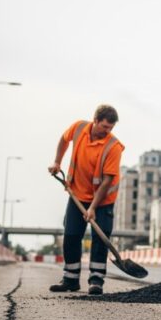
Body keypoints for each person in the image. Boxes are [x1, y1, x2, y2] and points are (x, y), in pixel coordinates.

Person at [47, 105, 124, 295]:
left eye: (111, 128)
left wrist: (93, 208)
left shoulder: (113, 146)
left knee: (100, 238)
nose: (108, 131)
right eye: (105, 127)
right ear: (95, 120)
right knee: (72, 235)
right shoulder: (79, 128)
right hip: (77, 194)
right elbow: (63, 140)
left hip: (103, 199)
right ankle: (70, 279)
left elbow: (106, 181)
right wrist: (57, 162)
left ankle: (96, 280)